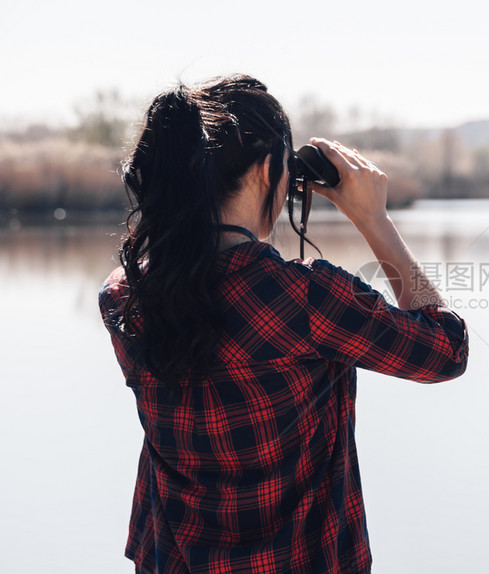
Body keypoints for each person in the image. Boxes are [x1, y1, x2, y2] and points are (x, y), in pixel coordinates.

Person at [98, 74, 469, 574]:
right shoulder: (305, 298)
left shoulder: (125, 296)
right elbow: (446, 351)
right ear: (267, 168)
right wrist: (373, 220)